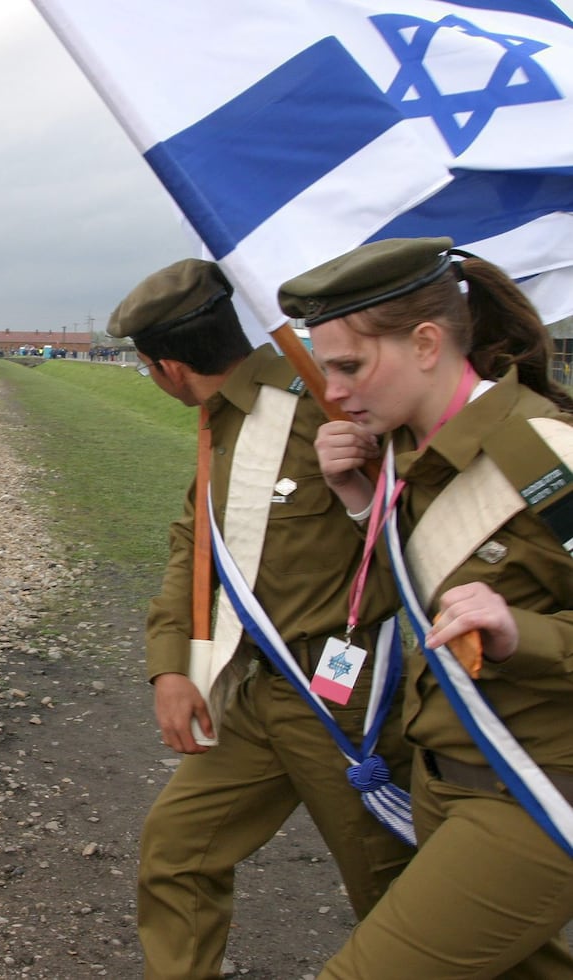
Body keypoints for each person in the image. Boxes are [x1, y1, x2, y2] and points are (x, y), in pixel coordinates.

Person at [107, 260, 415, 980]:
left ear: (168, 368)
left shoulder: (325, 406)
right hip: (263, 695)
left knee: (400, 901)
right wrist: (171, 667)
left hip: (348, 705)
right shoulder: (223, 423)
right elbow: (196, 546)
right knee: (177, 851)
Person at [277, 237, 573, 978]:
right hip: (442, 781)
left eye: (348, 365)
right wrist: (357, 507)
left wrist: (518, 634)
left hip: (530, 791)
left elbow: (508, 618)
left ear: (427, 342)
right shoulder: (411, 455)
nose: (333, 392)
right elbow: (410, 605)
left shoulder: (542, 456)